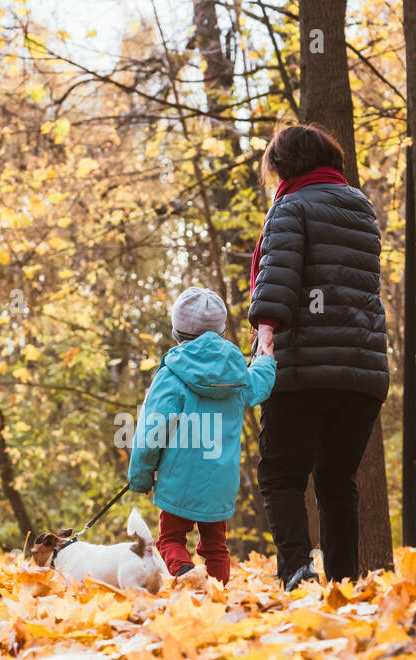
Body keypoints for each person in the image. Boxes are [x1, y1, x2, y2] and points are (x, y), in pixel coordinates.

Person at [248, 123, 390, 590]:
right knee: (336, 480)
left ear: (286, 166)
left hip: (304, 366)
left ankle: (296, 571)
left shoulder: (291, 205)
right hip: (363, 372)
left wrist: (265, 333)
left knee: (281, 472)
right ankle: (345, 583)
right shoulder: (361, 207)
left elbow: (280, 274)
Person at [128, 287, 276, 584]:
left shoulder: (171, 374)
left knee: (169, 540)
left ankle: (187, 577)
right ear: (221, 331)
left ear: (177, 331)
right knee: (216, 548)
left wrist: (141, 477)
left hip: (177, 481)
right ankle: (218, 595)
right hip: (219, 483)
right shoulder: (235, 373)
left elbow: (151, 432)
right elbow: (258, 384)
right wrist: (266, 359)